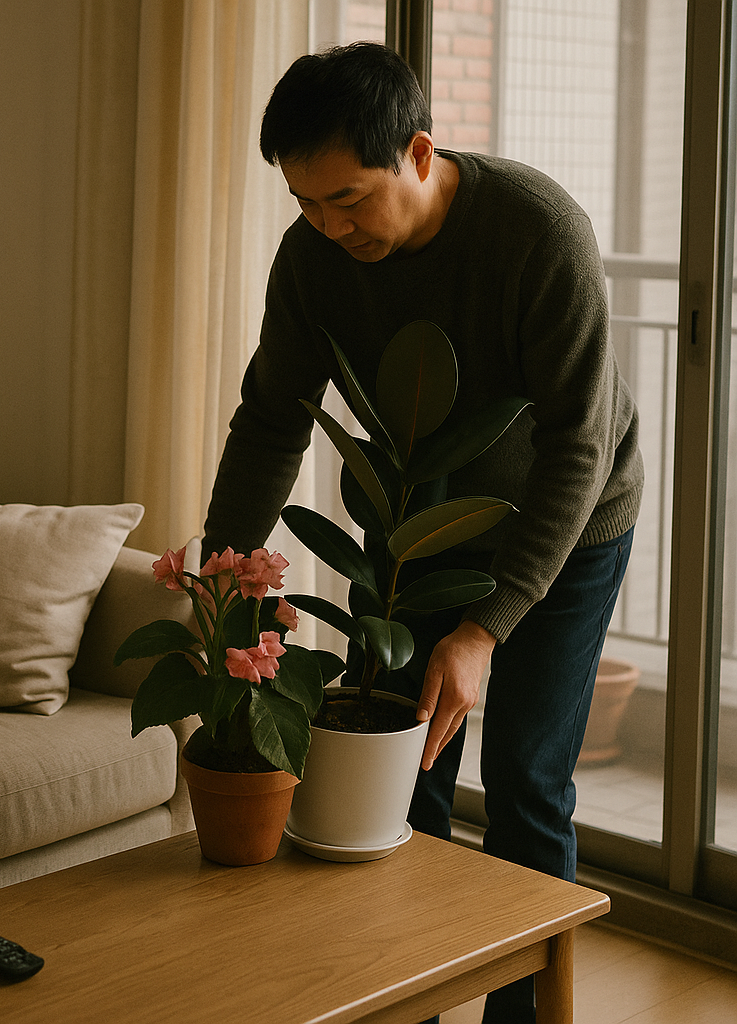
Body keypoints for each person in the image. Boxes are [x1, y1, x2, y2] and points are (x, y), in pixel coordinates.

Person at [200, 42, 643, 1024]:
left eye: (350, 199)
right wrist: (222, 565)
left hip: (563, 525)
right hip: (414, 530)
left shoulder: (537, 233)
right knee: (396, 779)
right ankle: (405, 1004)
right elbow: (273, 416)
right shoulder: (314, 255)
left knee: (527, 779)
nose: (329, 226)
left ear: (417, 151)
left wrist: (487, 626)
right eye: (306, 204)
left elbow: (579, 442)